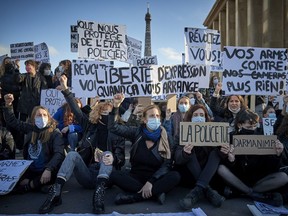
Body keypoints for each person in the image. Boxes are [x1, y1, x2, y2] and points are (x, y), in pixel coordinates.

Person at [38, 75, 126, 214]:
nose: (106, 115)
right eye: (103, 112)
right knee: (72, 154)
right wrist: (65, 89)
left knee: (108, 154)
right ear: (98, 113)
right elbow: (75, 107)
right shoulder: (89, 126)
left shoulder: (118, 131)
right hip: (87, 174)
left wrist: (115, 159)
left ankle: (98, 197)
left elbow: (121, 157)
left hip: (107, 177)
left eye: (109, 114)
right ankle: (56, 193)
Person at [107, 93, 181, 206]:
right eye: (151, 116)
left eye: (157, 116)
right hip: (135, 176)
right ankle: (156, 193)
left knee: (175, 176)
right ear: (145, 120)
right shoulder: (136, 132)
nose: (155, 119)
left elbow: (167, 164)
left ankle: (136, 197)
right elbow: (113, 127)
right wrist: (116, 106)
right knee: (115, 175)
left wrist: (151, 182)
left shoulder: (166, 137)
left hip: (156, 177)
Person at [217, 109, 288, 206]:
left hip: (258, 180)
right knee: (221, 169)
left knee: (283, 177)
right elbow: (230, 168)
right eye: (249, 127)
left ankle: (242, 193)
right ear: (239, 125)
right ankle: (254, 194)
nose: (253, 129)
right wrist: (231, 160)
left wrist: (277, 155)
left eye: (255, 126)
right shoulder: (231, 138)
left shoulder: (263, 138)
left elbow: (271, 168)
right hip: (238, 179)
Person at [3, 93, 65, 193]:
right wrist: (8, 104)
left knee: (41, 180)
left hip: (47, 170)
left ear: (49, 118)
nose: (42, 117)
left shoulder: (54, 133)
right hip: (31, 169)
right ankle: (37, 185)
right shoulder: (30, 129)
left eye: (45, 115)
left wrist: (48, 169)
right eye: (39, 115)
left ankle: (29, 186)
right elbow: (12, 121)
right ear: (33, 118)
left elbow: (59, 153)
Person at [174, 104, 227, 209]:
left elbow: (222, 159)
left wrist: (224, 151)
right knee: (190, 152)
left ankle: (195, 193)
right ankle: (207, 190)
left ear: (206, 117)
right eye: (196, 115)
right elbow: (177, 159)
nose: (199, 117)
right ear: (191, 117)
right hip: (189, 174)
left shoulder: (214, 133)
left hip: (208, 173)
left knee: (215, 153)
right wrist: (185, 152)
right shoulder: (182, 133)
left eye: (201, 115)